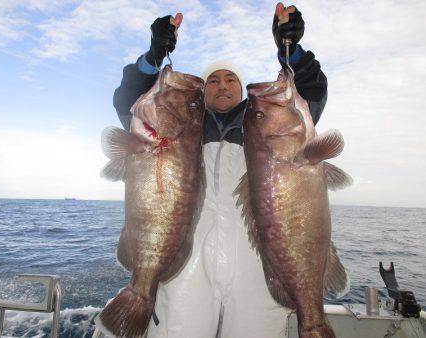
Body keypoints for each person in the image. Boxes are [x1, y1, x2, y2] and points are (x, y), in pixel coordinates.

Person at [106, 2, 327, 337]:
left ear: (240, 89)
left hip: (257, 269)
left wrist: (291, 51)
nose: (222, 86)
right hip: (185, 269)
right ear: (204, 92)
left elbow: (311, 90)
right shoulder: (180, 123)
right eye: (212, 81)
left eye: (230, 79)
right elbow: (128, 98)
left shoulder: (269, 125)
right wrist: (153, 56)